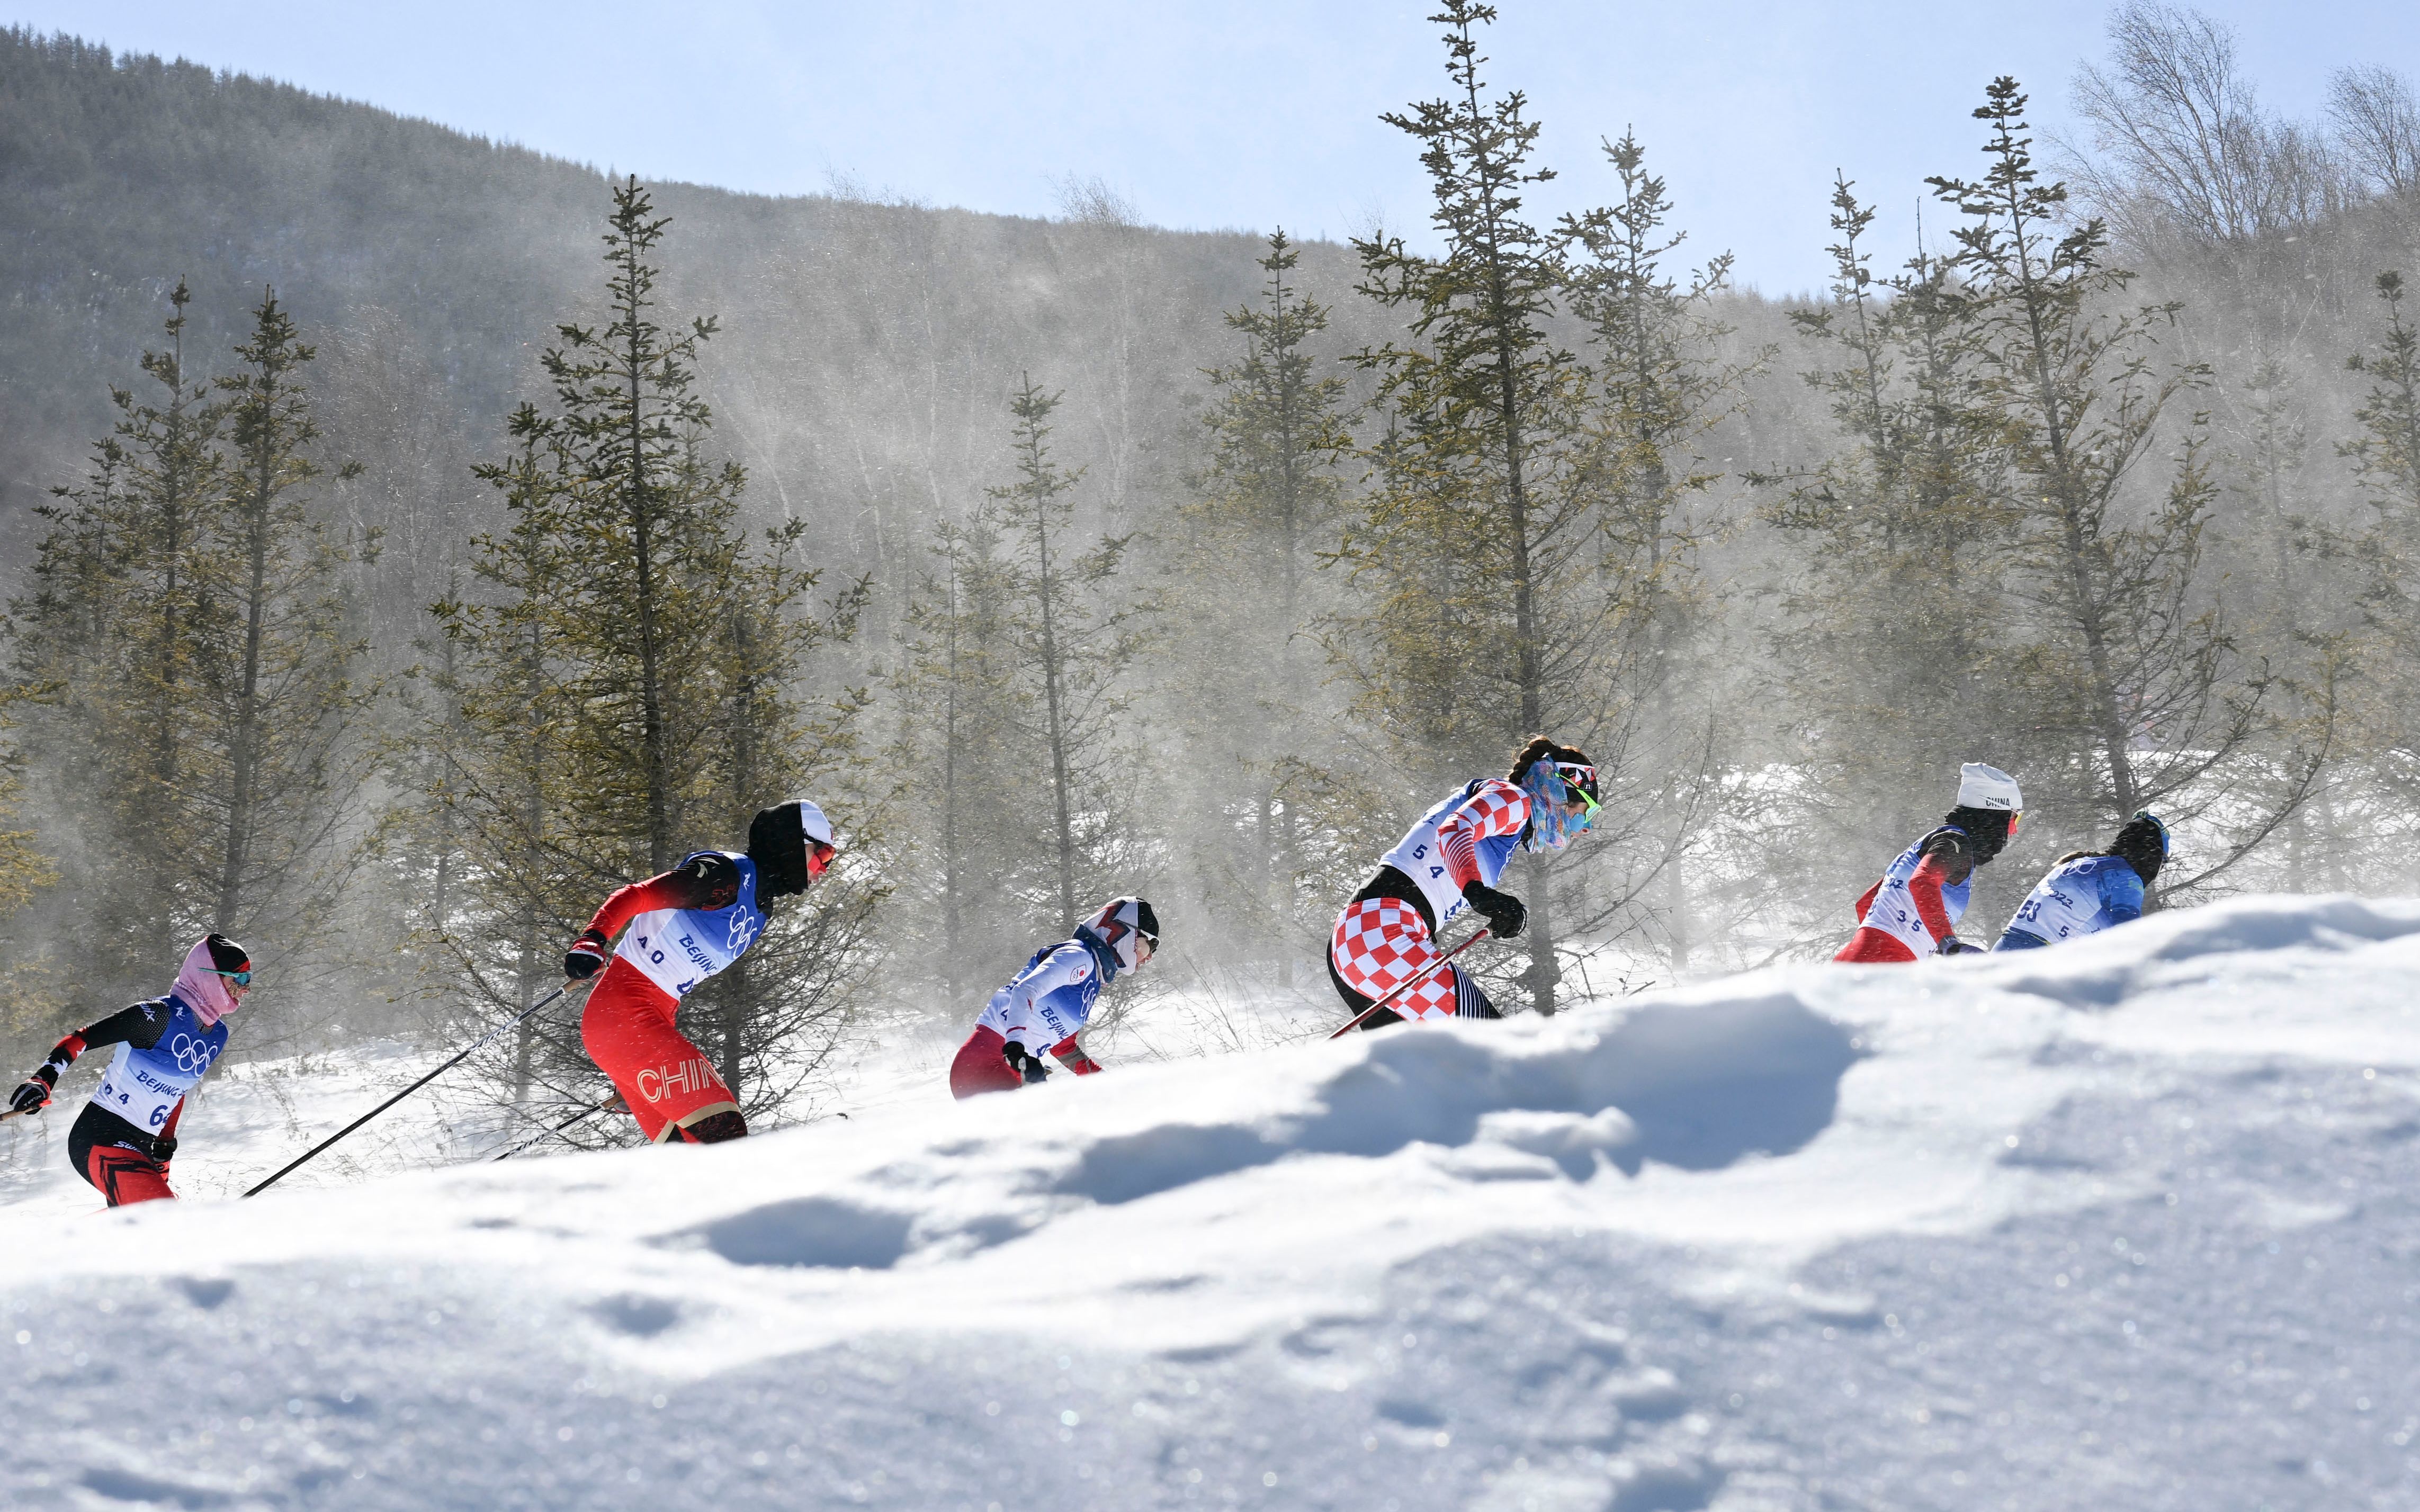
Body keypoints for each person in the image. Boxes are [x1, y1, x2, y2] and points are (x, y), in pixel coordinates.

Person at [561, 799, 836, 1144]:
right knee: (724, 1137)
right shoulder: (727, 875)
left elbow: (666, 977)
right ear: (793, 843)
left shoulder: (760, 909)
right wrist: (593, 939)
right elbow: (637, 896)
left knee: (689, 1158)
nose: (823, 869)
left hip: (635, 1028)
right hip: (624, 1016)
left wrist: (634, 1070)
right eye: (822, 855)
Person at [1327, 736, 1600, 1031]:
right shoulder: (1515, 800)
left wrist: (1488, 900)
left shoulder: (1500, 810)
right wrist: (1478, 893)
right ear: (1560, 793)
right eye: (1582, 818)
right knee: (1490, 1044)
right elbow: (1454, 829)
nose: (1582, 830)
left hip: (1357, 937)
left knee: (1418, 1068)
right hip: (1382, 932)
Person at [6, 934, 251, 1207]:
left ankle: (71, 1246)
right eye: (238, 979)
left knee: (142, 1232)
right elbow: (82, 1039)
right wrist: (43, 1081)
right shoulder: (157, 1015)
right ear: (209, 976)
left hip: (142, 1146)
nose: (245, 988)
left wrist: (164, 1148)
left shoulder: (217, 1035)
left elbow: (177, 1089)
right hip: (101, 1138)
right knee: (164, 1218)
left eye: (248, 980)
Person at [949, 897, 1158, 1099]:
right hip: (987, 1063)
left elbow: (1062, 1047)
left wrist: (1102, 1081)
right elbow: (1025, 991)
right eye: (1150, 945)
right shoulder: (1079, 956)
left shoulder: (1091, 980)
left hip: (1007, 1068)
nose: (1149, 957)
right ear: (1127, 933)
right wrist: (1015, 1050)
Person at [1835, 763, 2023, 964]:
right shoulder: (1955, 844)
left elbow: (1865, 904)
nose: (2013, 831)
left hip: (1857, 959)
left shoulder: (1933, 842)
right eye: (2014, 819)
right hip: (1884, 965)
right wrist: (1947, 942)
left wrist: (1917, 944)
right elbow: (1922, 882)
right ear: (1994, 816)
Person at [1996, 811, 2168, 950]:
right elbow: (2129, 937)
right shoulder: (2126, 877)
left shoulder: (2078, 861)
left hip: (2007, 946)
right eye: (2164, 862)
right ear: (2152, 855)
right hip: (2041, 956)